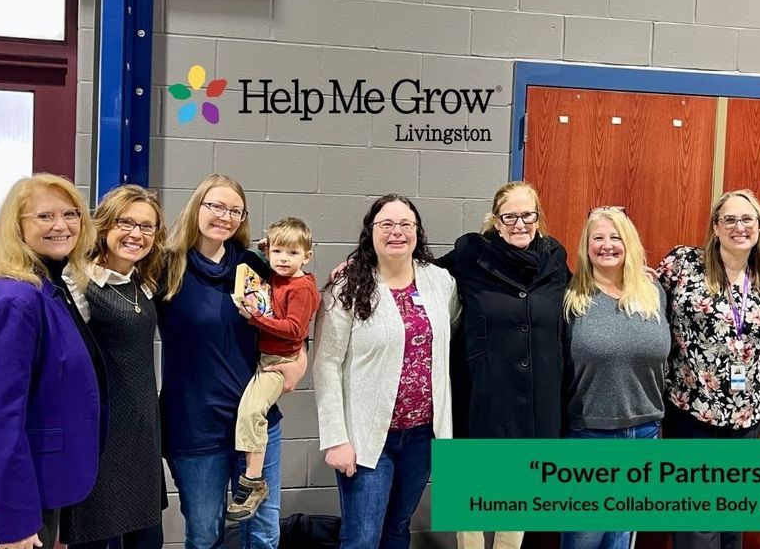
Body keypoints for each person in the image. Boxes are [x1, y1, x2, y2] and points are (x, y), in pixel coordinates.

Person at [158, 173, 304, 549]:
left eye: (234, 210)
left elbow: (298, 301)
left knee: (264, 533)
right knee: (205, 534)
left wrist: (300, 358)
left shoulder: (255, 266)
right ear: (197, 208)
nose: (224, 216)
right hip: (195, 427)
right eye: (216, 206)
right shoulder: (167, 266)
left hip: (256, 426)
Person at [0, 174, 101, 549]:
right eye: (45, 216)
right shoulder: (16, 297)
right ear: (17, 226)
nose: (61, 225)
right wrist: (16, 524)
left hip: (39, 482)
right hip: (12, 499)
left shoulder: (48, 286)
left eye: (71, 214)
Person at [314, 194, 460, 549]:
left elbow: (450, 327)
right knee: (362, 538)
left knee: (397, 528)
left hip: (422, 436)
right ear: (371, 232)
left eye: (405, 224)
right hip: (367, 439)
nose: (397, 232)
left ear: (417, 232)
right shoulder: (347, 288)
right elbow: (326, 363)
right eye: (387, 224)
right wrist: (336, 438)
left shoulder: (441, 282)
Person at [438, 181, 570, 549]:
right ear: (496, 221)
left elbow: (585, 294)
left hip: (536, 398)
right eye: (509, 216)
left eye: (527, 215)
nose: (519, 223)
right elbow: (420, 274)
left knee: (518, 512)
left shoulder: (555, 259)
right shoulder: (469, 255)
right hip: (482, 394)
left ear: (538, 217)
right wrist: (365, 266)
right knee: (473, 506)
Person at [656, 188, 760, 549]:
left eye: (747, 219)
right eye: (730, 219)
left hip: (745, 418)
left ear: (759, 227)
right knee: (697, 524)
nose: (739, 227)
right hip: (691, 412)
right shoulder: (682, 264)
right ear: (715, 226)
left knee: (731, 521)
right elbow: (649, 310)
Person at [59, 185, 167, 549]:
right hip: (101, 434)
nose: (136, 234)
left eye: (147, 227)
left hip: (142, 432)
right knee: (94, 535)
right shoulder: (78, 283)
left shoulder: (144, 282)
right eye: (125, 222)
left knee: (147, 537)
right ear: (104, 226)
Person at [561, 206, 670, 549]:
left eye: (615, 237)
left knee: (621, 537)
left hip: (645, 433)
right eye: (598, 238)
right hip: (588, 435)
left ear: (629, 244)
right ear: (586, 246)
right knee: (584, 537)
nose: (607, 245)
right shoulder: (570, 300)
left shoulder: (655, 295)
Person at [228, 217, 320, 521]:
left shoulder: (301, 287)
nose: (283, 259)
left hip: (278, 364)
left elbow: (294, 330)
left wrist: (255, 318)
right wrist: (267, 248)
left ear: (307, 256)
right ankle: (252, 477)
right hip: (266, 358)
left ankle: (253, 481)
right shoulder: (277, 274)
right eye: (278, 251)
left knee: (251, 412)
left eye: (293, 254)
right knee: (251, 411)